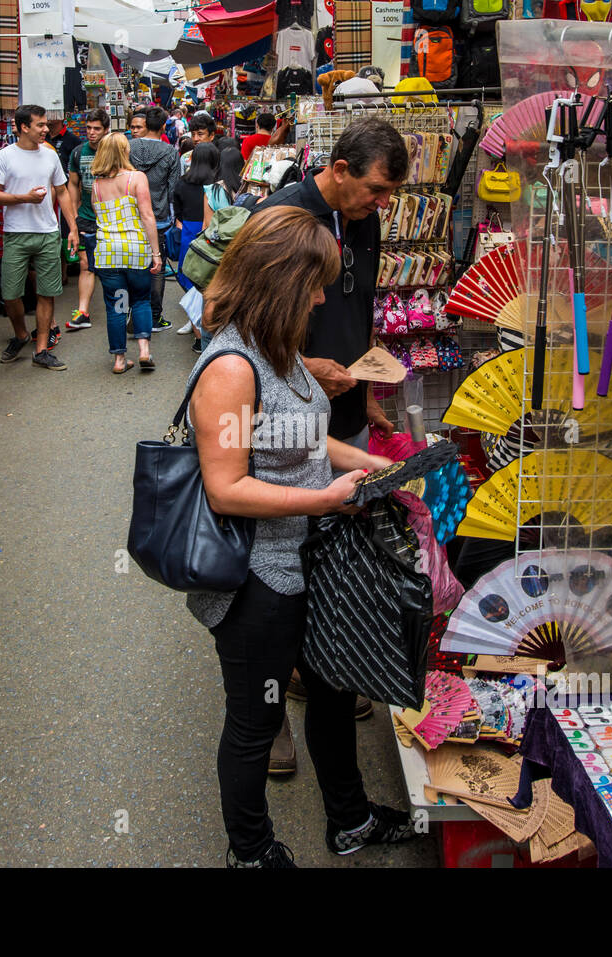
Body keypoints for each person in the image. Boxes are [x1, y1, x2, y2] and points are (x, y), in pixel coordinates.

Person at [186, 205, 413, 867]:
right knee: (255, 721)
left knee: (334, 691)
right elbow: (226, 485)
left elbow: (298, 437)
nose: (321, 296)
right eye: (314, 283)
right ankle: (251, 852)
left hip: (306, 560)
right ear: (283, 280)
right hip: (257, 580)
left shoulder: (275, 348)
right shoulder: (230, 366)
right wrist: (323, 497)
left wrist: (371, 464)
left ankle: (350, 819)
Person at [254, 115, 408, 773]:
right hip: (283, 412)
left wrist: (363, 384)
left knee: (328, 547)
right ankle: (263, 713)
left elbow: (357, 306)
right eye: (376, 189)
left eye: (390, 195)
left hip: (344, 407)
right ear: (340, 170)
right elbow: (238, 321)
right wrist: (304, 367)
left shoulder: (365, 216)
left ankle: (313, 669)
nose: (384, 204)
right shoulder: (282, 217)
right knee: (278, 557)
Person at [0, 105, 80, 370]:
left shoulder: (50, 156)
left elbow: (62, 192)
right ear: (24, 127)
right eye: (40, 125)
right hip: (16, 234)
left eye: (46, 125)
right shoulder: (5, 156)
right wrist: (23, 198)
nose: (46, 129)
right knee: (10, 293)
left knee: (47, 292)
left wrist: (72, 228)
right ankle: (20, 334)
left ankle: (41, 349)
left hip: (48, 233)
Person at [91, 132, 162, 374]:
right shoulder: (136, 178)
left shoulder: (97, 186)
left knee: (117, 305)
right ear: (124, 152)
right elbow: (147, 216)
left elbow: (99, 217)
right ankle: (143, 350)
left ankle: (120, 359)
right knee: (141, 299)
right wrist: (157, 253)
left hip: (108, 253)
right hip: (134, 250)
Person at [173, 142, 231, 351]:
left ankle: (196, 328)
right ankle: (203, 329)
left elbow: (177, 209)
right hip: (210, 234)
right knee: (207, 283)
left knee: (190, 277)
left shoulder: (182, 182)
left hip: (189, 231)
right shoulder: (217, 186)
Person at [128, 106, 180, 332]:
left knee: (132, 266)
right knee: (156, 267)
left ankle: (134, 309)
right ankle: (155, 315)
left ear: (146, 125)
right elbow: (173, 188)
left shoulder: (128, 148)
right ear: (162, 127)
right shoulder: (170, 153)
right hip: (159, 218)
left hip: (130, 216)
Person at [64, 108, 109, 331]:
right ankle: (83, 312)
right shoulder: (78, 152)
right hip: (86, 218)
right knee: (85, 265)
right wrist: (74, 212)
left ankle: (121, 311)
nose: (92, 133)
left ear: (106, 130)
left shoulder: (113, 152)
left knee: (113, 266)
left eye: (97, 129)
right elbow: (72, 183)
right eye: (89, 128)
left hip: (111, 219)